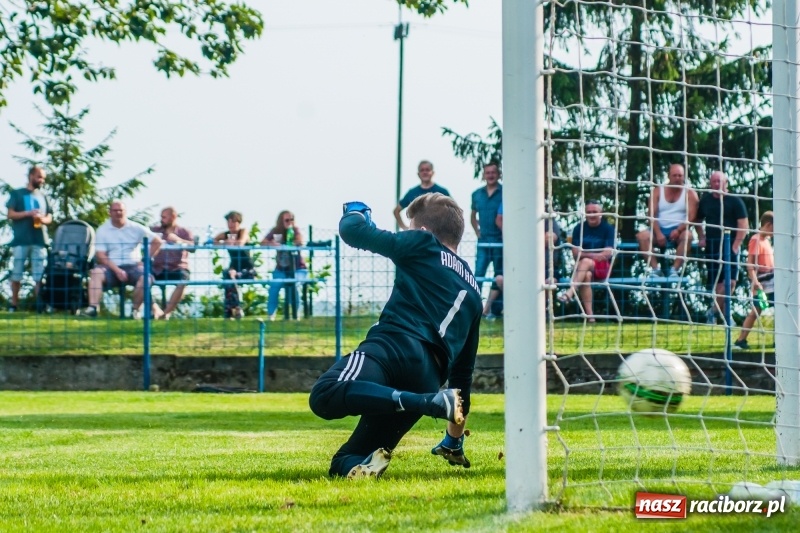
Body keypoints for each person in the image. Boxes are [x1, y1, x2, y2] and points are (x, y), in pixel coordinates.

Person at [309, 193, 482, 479]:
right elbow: (462, 380)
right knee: (348, 458)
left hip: (393, 346)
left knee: (324, 394)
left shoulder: (423, 243)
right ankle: (363, 463)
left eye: (410, 228)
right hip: (427, 378)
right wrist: (454, 440)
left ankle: (423, 403)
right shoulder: (474, 292)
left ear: (422, 230)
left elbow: (353, 231)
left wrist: (356, 211)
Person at [83, 200, 162, 318]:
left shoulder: (136, 228)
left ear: (125, 212)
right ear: (110, 212)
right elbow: (100, 255)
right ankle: (93, 308)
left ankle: (135, 311)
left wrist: (145, 260)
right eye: (115, 210)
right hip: (110, 267)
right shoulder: (102, 230)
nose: (118, 213)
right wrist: (117, 270)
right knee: (96, 273)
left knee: (146, 278)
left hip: (134, 266)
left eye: (121, 210)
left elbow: (157, 241)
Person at [484, 203, 562, 319]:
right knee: (500, 278)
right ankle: (513, 308)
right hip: (521, 268)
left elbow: (550, 238)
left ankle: (540, 310)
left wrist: (528, 240)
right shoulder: (521, 222)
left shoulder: (549, 221)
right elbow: (512, 237)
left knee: (549, 281)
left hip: (544, 269)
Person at [695, 171, 749, 325]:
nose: (717, 184)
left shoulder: (735, 201)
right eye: (714, 181)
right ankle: (726, 317)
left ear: (726, 182)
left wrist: (736, 245)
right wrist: (701, 236)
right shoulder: (706, 201)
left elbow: (743, 225)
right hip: (712, 246)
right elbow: (697, 220)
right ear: (710, 183)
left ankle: (713, 311)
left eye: (720, 181)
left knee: (730, 282)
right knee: (719, 283)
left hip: (730, 246)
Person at [557, 199, 617, 322]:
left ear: (601, 213)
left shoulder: (608, 229)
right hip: (583, 270)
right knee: (587, 275)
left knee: (585, 262)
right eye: (589, 212)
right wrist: (595, 255)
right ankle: (590, 316)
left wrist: (585, 255)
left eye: (594, 211)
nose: (591, 214)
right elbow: (575, 254)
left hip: (602, 268)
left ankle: (570, 292)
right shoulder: (578, 228)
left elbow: (607, 254)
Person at [636, 163, 699, 277]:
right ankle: (655, 269)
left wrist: (678, 230)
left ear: (684, 176)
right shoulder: (657, 191)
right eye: (674, 175)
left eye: (680, 175)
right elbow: (651, 214)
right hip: (658, 229)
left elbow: (692, 217)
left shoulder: (690, 193)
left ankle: (674, 270)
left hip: (680, 230)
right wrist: (658, 233)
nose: (677, 178)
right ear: (669, 176)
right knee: (642, 236)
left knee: (688, 236)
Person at [5, 166, 52, 312]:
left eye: (43, 178)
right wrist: (27, 213)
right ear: (31, 176)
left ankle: (40, 305)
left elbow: (50, 217)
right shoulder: (17, 194)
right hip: (21, 240)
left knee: (39, 274)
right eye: (39, 177)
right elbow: (10, 214)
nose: (42, 180)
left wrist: (42, 219)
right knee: (17, 272)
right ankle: (14, 305)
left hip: (40, 240)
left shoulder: (43, 196)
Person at [734, 211, 774, 350]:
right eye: (773, 228)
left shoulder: (766, 241)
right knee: (755, 311)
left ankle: (778, 339)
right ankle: (740, 340)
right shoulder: (756, 239)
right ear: (768, 225)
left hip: (772, 280)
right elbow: (750, 263)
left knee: (779, 309)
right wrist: (755, 281)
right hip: (763, 282)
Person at [261, 210, 308, 321]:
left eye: (292, 219)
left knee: (294, 284)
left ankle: (296, 314)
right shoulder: (275, 231)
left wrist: (289, 242)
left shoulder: (295, 230)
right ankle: (271, 315)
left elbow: (300, 241)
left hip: (298, 268)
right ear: (280, 221)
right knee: (274, 286)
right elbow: (262, 242)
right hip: (281, 269)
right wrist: (272, 243)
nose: (290, 222)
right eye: (287, 220)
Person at [150, 206, 194, 320]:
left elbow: (193, 248)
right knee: (141, 278)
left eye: (164, 217)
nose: (161, 220)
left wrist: (179, 240)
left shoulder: (184, 232)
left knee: (183, 281)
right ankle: (155, 309)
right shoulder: (156, 231)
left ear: (173, 217)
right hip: (157, 268)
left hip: (177, 268)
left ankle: (166, 313)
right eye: (161, 217)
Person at [214, 211, 254, 319]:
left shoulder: (243, 231)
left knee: (231, 278)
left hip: (247, 268)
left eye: (233, 221)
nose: (230, 224)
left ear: (239, 222)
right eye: (229, 221)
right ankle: (234, 310)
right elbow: (214, 241)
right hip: (234, 267)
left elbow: (241, 242)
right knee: (228, 276)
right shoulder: (226, 234)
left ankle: (234, 309)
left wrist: (232, 242)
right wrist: (225, 242)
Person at [392, 160, 450, 230]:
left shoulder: (442, 192)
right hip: (417, 233)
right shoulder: (412, 193)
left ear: (432, 172)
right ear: (418, 174)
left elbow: (454, 212)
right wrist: (405, 228)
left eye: (427, 170)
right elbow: (396, 211)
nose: (425, 172)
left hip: (437, 232)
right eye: (422, 170)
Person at [470, 162, 503, 284]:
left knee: (500, 274)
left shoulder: (505, 192)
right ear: (484, 175)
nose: (490, 175)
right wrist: (477, 232)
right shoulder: (476, 194)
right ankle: (475, 297)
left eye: (493, 172)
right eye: (487, 173)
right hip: (483, 241)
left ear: (498, 174)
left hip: (500, 240)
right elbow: (473, 216)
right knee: (478, 274)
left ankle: (497, 298)